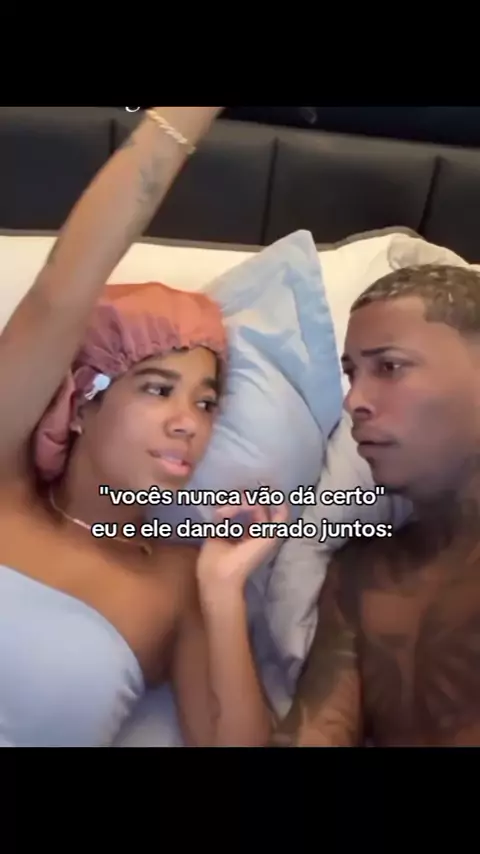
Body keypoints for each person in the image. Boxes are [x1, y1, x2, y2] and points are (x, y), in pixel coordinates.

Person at [0, 106, 287, 748]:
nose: (189, 424)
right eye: (158, 390)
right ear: (81, 404)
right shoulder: (5, 486)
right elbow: (58, 294)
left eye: (207, 404)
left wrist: (223, 592)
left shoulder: (176, 582)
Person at [270, 263, 480, 747]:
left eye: (389, 367)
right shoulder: (360, 575)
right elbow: (316, 731)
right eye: (351, 374)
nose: (354, 402)